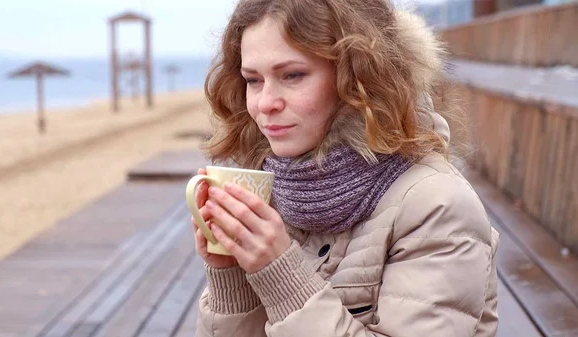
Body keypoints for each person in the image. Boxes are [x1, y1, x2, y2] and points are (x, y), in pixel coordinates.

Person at [192, 0, 499, 336]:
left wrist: (280, 273)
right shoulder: (280, 185)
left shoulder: (439, 207)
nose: (265, 103)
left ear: (357, 77)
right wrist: (231, 275)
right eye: (253, 80)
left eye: (292, 75)